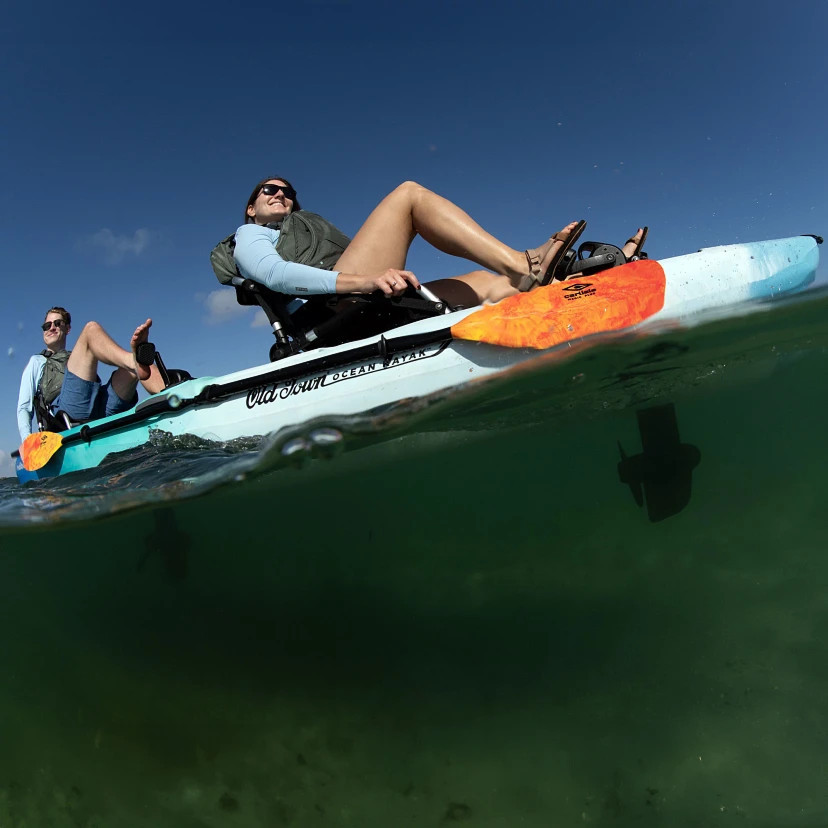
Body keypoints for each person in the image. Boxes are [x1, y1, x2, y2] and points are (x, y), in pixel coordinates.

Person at [233, 177, 647, 310]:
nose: (281, 194)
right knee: (409, 196)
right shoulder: (249, 235)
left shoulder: (302, 229)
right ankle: (524, 264)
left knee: (489, 282)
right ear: (251, 208)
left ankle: (582, 281)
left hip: (366, 298)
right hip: (335, 308)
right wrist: (365, 281)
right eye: (269, 190)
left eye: (288, 192)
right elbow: (275, 274)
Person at [16, 307, 165, 442]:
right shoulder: (36, 361)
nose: (52, 328)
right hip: (67, 412)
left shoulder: (77, 355)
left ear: (67, 328)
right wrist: (27, 441)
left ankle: (170, 393)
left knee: (142, 365)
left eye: (57, 323)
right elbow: (24, 407)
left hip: (98, 404)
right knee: (91, 330)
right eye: (47, 325)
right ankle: (133, 361)